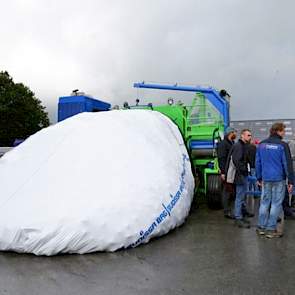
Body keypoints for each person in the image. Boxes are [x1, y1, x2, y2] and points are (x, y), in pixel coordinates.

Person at [256, 123, 294, 238]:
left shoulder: (261, 145)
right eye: (283, 131)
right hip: (278, 179)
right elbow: (287, 164)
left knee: (264, 202)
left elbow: (258, 162)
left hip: (266, 178)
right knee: (276, 204)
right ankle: (271, 229)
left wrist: (258, 177)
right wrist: (291, 181)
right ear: (278, 131)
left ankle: (261, 227)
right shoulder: (283, 145)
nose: (284, 133)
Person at [226, 129, 252, 228]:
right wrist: (244, 170)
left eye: (250, 135)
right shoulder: (239, 146)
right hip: (240, 175)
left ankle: (241, 215)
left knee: (241, 196)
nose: (250, 137)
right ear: (242, 136)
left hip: (241, 174)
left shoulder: (241, 145)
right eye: (248, 135)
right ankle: (238, 218)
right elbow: (237, 161)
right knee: (240, 196)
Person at [217, 127, 237, 219]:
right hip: (227, 171)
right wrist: (223, 172)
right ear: (230, 133)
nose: (235, 134)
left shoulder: (232, 143)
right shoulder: (223, 144)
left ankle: (232, 209)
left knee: (231, 191)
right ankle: (226, 211)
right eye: (234, 132)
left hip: (233, 171)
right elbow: (221, 158)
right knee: (227, 191)